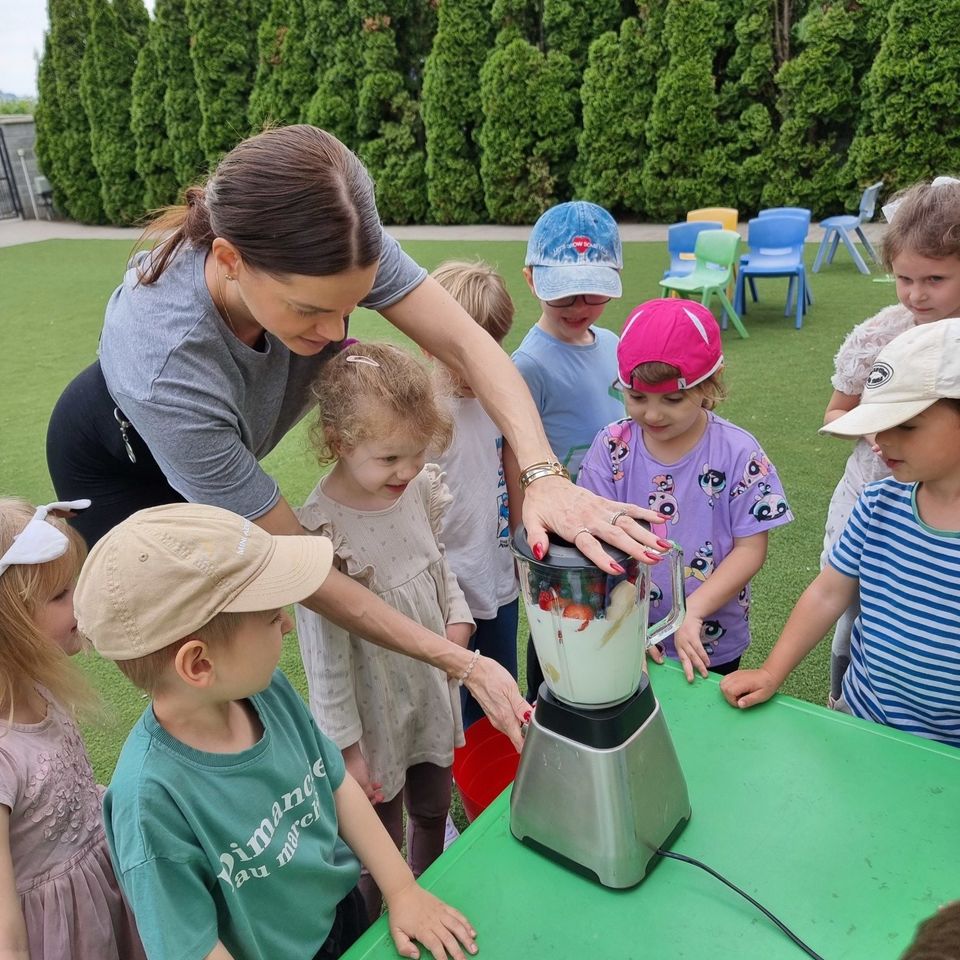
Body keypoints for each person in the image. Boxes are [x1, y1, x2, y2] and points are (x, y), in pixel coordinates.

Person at [44, 125, 663, 749]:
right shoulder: (167, 369)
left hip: (216, 436)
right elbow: (304, 567)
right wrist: (462, 663)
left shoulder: (334, 233)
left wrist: (543, 474)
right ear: (231, 260)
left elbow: (469, 345)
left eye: (354, 304)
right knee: (215, 656)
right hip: (123, 466)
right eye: (311, 310)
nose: (338, 331)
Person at [75, 503, 479, 960]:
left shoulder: (267, 692)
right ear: (199, 664)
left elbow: (336, 783)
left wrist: (402, 890)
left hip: (339, 913)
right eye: (271, 617)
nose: (287, 625)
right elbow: (191, 946)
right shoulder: (148, 801)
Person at [293, 342, 474, 920]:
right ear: (340, 444)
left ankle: (432, 882)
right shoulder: (318, 531)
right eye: (391, 458)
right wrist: (347, 753)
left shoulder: (417, 489)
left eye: (417, 454)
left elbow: (437, 562)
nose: (407, 470)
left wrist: (457, 617)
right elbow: (325, 664)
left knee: (432, 805)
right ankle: (377, 919)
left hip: (428, 692)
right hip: (372, 726)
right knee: (377, 839)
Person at [721, 320, 960, 748]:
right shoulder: (878, 503)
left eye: (906, 425)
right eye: (879, 421)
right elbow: (827, 593)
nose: (880, 440)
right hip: (864, 718)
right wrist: (772, 671)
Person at [577, 299, 793, 681]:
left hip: (710, 639)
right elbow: (592, 536)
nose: (653, 414)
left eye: (673, 400)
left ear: (712, 383)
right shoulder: (611, 447)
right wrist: (624, 620)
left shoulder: (739, 453)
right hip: (624, 628)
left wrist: (692, 611)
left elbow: (750, 549)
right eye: (637, 397)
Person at [820, 176, 960, 704]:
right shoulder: (881, 335)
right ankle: (848, 696)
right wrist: (880, 428)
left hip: (948, 507)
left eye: (935, 278)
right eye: (904, 278)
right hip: (875, 495)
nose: (916, 294)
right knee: (855, 600)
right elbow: (837, 409)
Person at [0, 498, 144, 960]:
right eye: (61, 595)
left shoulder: (44, 687)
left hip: (107, 882)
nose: (79, 602)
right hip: (63, 933)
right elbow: (6, 930)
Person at [511, 200, 629, 698]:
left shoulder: (614, 343)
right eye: (565, 295)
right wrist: (529, 545)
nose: (579, 307)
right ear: (532, 280)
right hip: (558, 535)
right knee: (559, 639)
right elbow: (515, 456)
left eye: (593, 293)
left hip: (609, 516)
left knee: (616, 627)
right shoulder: (528, 364)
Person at [429, 260, 520, 729]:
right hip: (446, 588)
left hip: (498, 575)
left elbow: (514, 474)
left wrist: (522, 551)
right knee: (444, 701)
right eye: (456, 351)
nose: (471, 365)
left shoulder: (500, 396)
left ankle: (501, 781)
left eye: (487, 346)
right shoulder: (422, 412)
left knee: (500, 692)